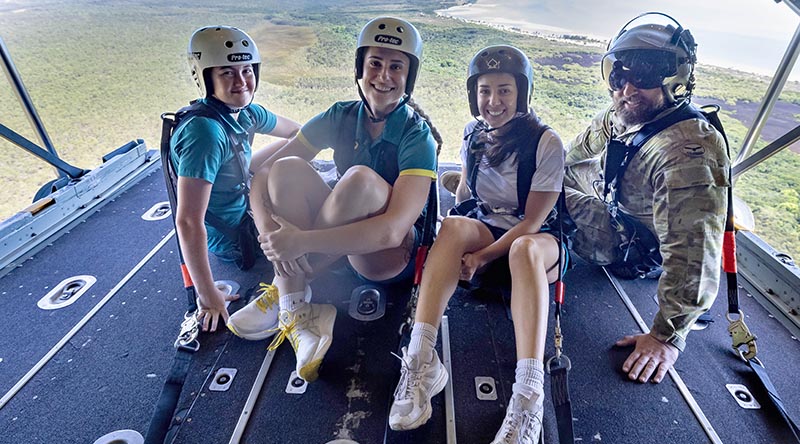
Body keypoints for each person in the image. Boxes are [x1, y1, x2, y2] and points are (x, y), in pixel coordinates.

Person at [226, 16, 441, 383]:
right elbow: (264, 174)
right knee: (287, 169)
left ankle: (287, 289)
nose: (383, 76)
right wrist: (270, 238)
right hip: (336, 248)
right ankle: (297, 308)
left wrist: (299, 242)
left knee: (358, 179)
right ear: (360, 67)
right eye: (374, 63)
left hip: (388, 257)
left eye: (396, 66)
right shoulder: (341, 116)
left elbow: (391, 231)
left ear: (410, 75)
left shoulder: (416, 136)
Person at [388, 45, 566, 444]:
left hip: (537, 243)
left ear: (521, 93)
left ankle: (528, 396)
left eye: (504, 90)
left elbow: (534, 221)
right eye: (485, 91)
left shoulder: (545, 143)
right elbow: (467, 194)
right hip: (489, 226)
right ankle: (420, 359)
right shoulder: (473, 134)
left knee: (523, 250)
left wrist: (482, 256)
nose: (493, 101)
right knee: (451, 225)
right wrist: (451, 242)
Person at [563, 13, 729, 384]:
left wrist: (665, 337)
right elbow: (577, 151)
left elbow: (694, 254)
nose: (628, 88)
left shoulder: (687, 152)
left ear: (676, 79)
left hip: (632, 247)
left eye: (646, 73)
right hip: (621, 203)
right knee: (544, 177)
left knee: (548, 195)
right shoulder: (626, 114)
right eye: (619, 75)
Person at [170, 26, 300, 333]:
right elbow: (188, 221)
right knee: (317, 224)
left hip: (245, 205)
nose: (242, 82)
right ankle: (291, 295)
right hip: (234, 239)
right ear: (205, 78)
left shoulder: (246, 113)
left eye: (246, 70)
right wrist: (208, 295)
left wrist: (264, 172)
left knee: (294, 168)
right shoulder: (205, 133)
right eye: (227, 72)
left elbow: (298, 134)